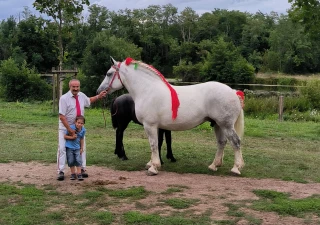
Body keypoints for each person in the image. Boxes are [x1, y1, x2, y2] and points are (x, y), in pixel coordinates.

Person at [57, 79, 107, 181]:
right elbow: (62, 116)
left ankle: (82, 169)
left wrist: (98, 96)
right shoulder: (64, 98)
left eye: (77, 87)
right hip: (65, 127)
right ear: (69, 87)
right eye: (73, 87)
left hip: (79, 127)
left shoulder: (81, 95)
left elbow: (89, 100)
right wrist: (70, 130)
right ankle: (61, 171)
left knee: (81, 148)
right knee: (62, 148)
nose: (75, 89)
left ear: (79, 87)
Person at [65, 116, 86, 181]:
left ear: (83, 124)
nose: (79, 124)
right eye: (78, 122)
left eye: (81, 123)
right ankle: (73, 174)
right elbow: (65, 136)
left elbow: (82, 139)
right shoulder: (71, 128)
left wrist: (81, 148)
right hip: (69, 147)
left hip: (77, 147)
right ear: (75, 122)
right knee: (71, 160)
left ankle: (79, 173)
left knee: (78, 160)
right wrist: (72, 137)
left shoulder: (83, 130)